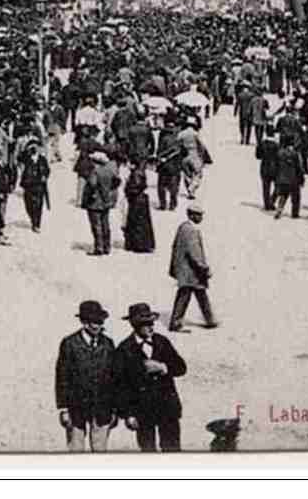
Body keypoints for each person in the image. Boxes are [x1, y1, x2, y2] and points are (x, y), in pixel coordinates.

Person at [111, 303, 188, 451]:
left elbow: (181, 368)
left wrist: (163, 367)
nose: (151, 327)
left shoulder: (162, 342)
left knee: (172, 449)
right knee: (147, 451)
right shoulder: (124, 349)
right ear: (134, 325)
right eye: (145, 324)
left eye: (152, 323)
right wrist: (128, 414)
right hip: (142, 411)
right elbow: (120, 385)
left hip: (167, 408)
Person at [55, 300, 118, 452]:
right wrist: (63, 408)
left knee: (100, 451)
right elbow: (62, 376)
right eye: (93, 321)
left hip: (102, 408)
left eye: (100, 321)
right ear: (84, 322)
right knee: (76, 450)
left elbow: (114, 377)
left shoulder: (108, 344)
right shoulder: (69, 343)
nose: (97, 325)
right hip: (76, 407)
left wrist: (115, 408)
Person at [167, 203, 217, 332]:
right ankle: (176, 323)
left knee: (199, 294)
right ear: (191, 215)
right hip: (191, 271)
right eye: (199, 215)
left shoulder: (183, 227)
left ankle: (210, 320)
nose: (201, 218)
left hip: (185, 270)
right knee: (186, 295)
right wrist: (204, 268)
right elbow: (194, 253)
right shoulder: (191, 231)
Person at [83, 150, 119, 256]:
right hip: (106, 201)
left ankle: (99, 247)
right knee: (105, 224)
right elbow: (117, 182)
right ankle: (107, 247)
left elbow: (92, 184)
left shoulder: (95, 172)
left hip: (95, 202)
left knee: (96, 226)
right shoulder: (109, 171)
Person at [122, 164, 155, 253]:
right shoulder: (139, 172)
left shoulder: (136, 173)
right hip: (139, 200)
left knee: (137, 222)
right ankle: (141, 244)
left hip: (136, 200)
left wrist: (128, 191)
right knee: (141, 223)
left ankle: (138, 245)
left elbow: (136, 186)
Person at [19, 140, 50, 232]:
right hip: (28, 184)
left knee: (38, 204)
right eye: (33, 148)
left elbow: (47, 169)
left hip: (39, 184)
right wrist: (26, 148)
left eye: (36, 147)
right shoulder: (27, 158)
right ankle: (32, 218)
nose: (34, 149)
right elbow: (19, 158)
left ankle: (36, 224)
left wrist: (45, 176)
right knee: (28, 204)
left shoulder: (42, 159)